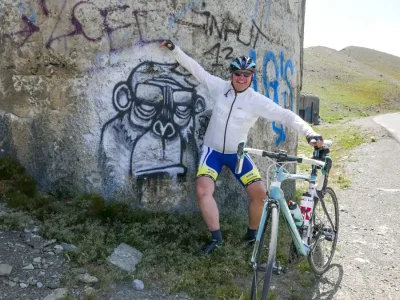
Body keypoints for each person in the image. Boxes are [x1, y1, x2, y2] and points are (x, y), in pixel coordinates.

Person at [160, 40, 323, 255]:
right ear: (232, 74)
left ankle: (251, 235)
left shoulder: (256, 101)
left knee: (260, 194)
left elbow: (285, 115)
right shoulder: (219, 88)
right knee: (202, 191)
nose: (241, 78)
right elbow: (195, 69)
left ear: (252, 77)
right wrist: (175, 49)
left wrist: (309, 133)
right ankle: (216, 238)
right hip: (212, 152)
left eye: (246, 75)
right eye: (238, 73)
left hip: (238, 155)